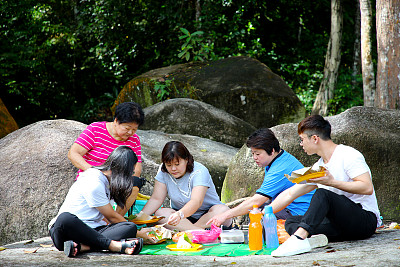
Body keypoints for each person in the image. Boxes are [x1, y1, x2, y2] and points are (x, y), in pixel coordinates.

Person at [270, 115, 381, 257]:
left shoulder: (349, 155)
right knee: (291, 221)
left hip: (364, 220)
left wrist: (331, 182)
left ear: (315, 138)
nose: (301, 144)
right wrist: (264, 213)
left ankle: (299, 239)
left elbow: (367, 187)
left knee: (322, 194)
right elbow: (290, 194)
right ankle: (314, 238)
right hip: (339, 225)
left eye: (302, 139)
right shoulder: (319, 166)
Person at [49, 146, 155, 257]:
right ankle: (114, 246)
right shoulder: (94, 181)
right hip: (68, 232)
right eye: (130, 173)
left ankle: (82, 247)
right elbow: (112, 217)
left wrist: (134, 231)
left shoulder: (107, 182)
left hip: (89, 232)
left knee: (129, 227)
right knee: (65, 218)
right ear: (123, 171)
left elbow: (106, 219)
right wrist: (140, 234)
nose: (131, 177)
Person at [207, 128, 315, 227]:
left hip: (298, 212)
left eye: (258, 154)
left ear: (272, 151)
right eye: (253, 153)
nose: (254, 158)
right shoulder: (278, 158)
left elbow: (258, 200)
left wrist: (224, 215)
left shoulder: (280, 168)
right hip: (290, 207)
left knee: (257, 216)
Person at [68, 102, 146, 216]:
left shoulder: (134, 139)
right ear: (116, 121)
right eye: (127, 128)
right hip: (93, 181)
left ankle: (114, 220)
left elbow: (137, 169)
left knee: (135, 183)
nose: (130, 133)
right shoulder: (95, 129)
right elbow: (73, 153)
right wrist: (96, 172)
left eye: (134, 129)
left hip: (117, 184)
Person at [141, 141, 232, 231]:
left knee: (223, 210)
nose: (173, 169)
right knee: (161, 213)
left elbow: (196, 201)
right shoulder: (163, 171)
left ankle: (190, 231)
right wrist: (140, 217)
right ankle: (198, 232)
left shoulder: (199, 171)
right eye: (169, 165)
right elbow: (156, 198)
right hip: (182, 219)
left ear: (186, 160)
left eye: (177, 164)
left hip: (206, 215)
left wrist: (180, 214)